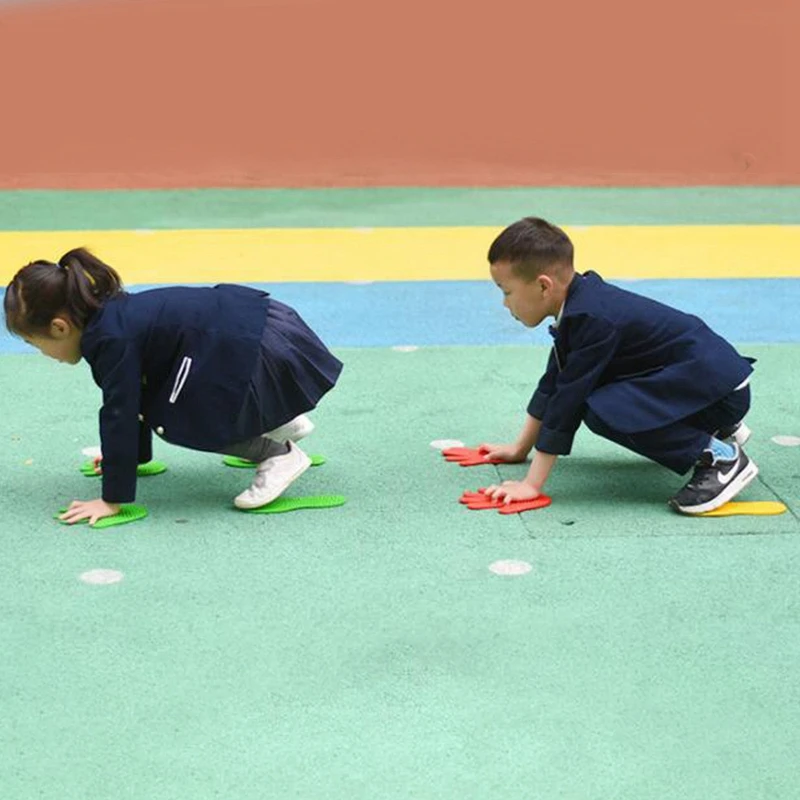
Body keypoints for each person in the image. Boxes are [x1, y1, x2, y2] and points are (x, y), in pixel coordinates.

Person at [4, 248, 342, 524]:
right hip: (258, 333)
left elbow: (121, 411)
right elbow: (136, 398)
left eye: (36, 344)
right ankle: (281, 422)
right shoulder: (111, 318)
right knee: (169, 396)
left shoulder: (110, 340)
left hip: (255, 352)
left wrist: (112, 499)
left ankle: (279, 454)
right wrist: (130, 458)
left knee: (174, 419)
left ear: (60, 327)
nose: (44, 355)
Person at [477, 217, 757, 515]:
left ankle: (720, 457)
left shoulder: (592, 318)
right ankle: (707, 425)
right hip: (707, 385)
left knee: (600, 410)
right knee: (596, 393)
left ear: (544, 286)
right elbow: (554, 382)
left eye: (506, 291)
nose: (505, 304)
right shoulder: (579, 306)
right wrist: (520, 448)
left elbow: (567, 401)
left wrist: (532, 485)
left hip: (719, 392)